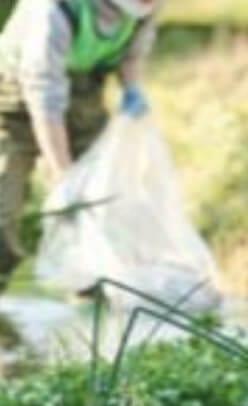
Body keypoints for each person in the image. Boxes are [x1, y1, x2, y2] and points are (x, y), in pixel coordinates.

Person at [0, 0, 161, 293]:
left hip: (84, 91)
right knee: (3, 203)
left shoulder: (144, 8)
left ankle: (94, 293)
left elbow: (131, 53)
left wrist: (132, 89)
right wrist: (63, 177)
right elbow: (45, 99)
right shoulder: (54, 10)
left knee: (101, 199)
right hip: (14, 98)